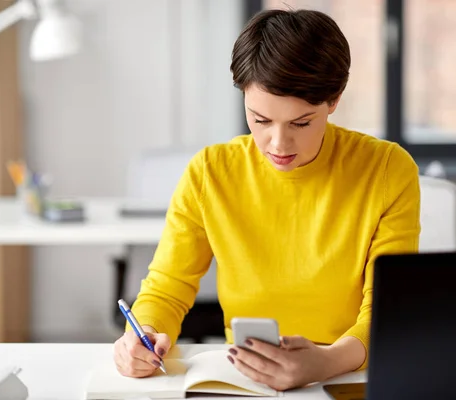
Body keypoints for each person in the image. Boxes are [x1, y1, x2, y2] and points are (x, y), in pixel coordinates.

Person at [113, 7, 420, 391]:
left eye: (301, 123)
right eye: (259, 120)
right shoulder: (210, 172)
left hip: (354, 376)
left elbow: (388, 308)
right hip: (245, 384)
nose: (278, 144)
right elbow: (167, 286)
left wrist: (326, 362)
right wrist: (142, 335)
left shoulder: (388, 170)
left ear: (334, 100)